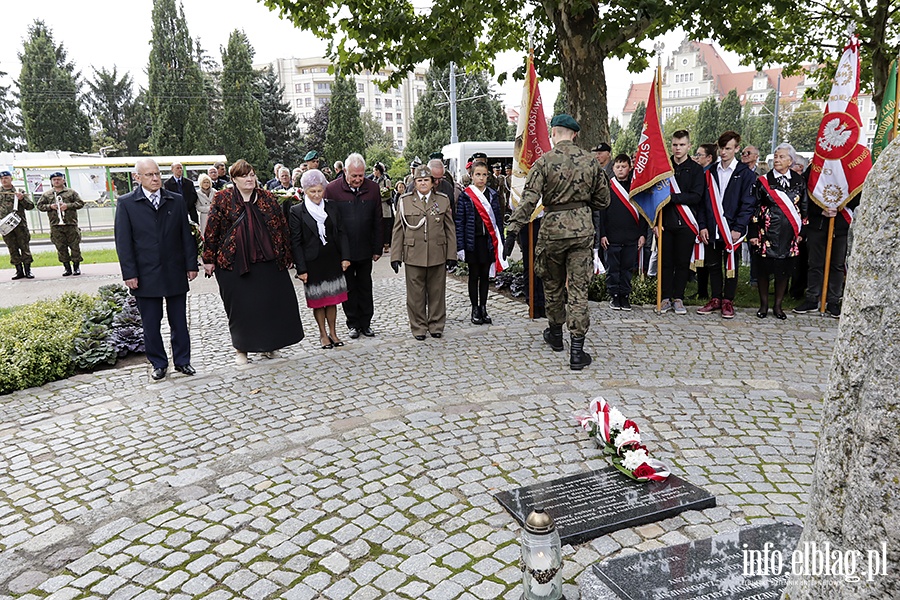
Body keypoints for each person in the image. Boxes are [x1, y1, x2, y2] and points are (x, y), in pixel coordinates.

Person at [503, 114, 609, 370]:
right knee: (578, 289)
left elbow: (528, 201)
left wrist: (513, 230)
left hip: (552, 231)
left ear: (553, 133)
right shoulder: (591, 162)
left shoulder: (543, 161)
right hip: (582, 231)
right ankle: (577, 350)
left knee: (552, 285)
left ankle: (555, 334)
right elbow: (604, 200)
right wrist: (581, 205)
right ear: (574, 134)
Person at [202, 159, 305, 365]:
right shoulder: (223, 198)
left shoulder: (267, 197)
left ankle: (269, 345)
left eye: (251, 175)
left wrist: (287, 257)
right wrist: (208, 259)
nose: (249, 179)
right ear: (234, 179)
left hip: (267, 261)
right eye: (244, 175)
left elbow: (281, 228)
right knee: (241, 309)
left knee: (269, 305)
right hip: (234, 263)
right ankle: (242, 348)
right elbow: (212, 230)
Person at [115, 159, 198, 380]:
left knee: (179, 320)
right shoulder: (126, 203)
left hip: (174, 270)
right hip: (145, 274)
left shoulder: (175, 201)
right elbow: (123, 243)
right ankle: (158, 363)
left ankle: (182, 361)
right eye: (149, 175)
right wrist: (129, 273)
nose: (155, 179)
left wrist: (191, 264)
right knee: (151, 323)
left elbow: (185, 236)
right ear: (137, 178)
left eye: (157, 174)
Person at [391, 164, 457, 339]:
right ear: (414, 182)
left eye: (426, 180)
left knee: (437, 292)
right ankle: (419, 327)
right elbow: (398, 230)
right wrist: (395, 256)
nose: (423, 183)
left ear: (432, 182)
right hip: (413, 254)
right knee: (415, 295)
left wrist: (452, 255)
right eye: (419, 180)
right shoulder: (404, 201)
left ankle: (436, 324)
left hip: (437, 252)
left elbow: (450, 229)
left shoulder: (442, 200)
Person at [697, 131, 757, 319]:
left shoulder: (745, 174)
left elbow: (748, 204)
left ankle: (728, 300)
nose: (724, 152)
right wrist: (703, 225)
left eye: (728, 148)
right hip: (712, 227)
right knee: (713, 264)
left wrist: (738, 228)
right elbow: (703, 202)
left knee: (731, 264)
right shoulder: (711, 172)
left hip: (732, 229)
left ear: (737, 149)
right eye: (721, 148)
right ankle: (715, 298)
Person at [290, 169, 350, 349]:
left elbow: (341, 232)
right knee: (319, 301)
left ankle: (333, 332)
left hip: (332, 258)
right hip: (311, 262)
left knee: (332, 299)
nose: (317, 195)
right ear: (305, 191)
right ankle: (323, 334)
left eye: (319, 190)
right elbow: (296, 242)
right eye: (312, 191)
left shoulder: (332, 206)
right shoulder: (297, 211)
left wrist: (346, 257)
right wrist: (301, 269)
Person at [325, 153, 383, 338]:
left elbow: (378, 220)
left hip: (366, 248)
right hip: (344, 251)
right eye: (354, 176)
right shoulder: (332, 190)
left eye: (361, 175)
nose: (358, 179)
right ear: (345, 172)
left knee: (365, 286)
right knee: (348, 287)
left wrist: (377, 247)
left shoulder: (373, 188)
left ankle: (366, 323)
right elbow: (328, 223)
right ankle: (353, 324)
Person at [749, 143, 808, 320]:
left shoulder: (799, 181)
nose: (777, 160)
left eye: (782, 157)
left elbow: (804, 207)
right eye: (776, 156)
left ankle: (778, 306)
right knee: (764, 271)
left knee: (784, 271)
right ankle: (764, 305)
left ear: (791, 160)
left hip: (789, 233)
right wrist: (752, 233)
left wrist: (802, 232)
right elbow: (754, 207)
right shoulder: (763, 181)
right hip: (766, 232)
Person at [657, 130, 706, 315]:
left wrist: (673, 198)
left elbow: (696, 196)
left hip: (687, 223)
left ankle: (679, 297)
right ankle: (665, 297)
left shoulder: (695, 169)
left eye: (682, 145)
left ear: (689, 146)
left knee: (682, 263)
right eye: (675, 145)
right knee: (666, 262)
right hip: (666, 223)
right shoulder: (664, 167)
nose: (678, 148)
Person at [456, 161, 507, 325]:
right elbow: (460, 222)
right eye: (478, 174)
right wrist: (461, 246)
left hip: (488, 241)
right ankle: (474, 308)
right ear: (471, 176)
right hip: (473, 241)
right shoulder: (465, 195)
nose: (481, 178)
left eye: (484, 174)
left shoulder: (492, 195)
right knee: (474, 275)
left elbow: (498, 222)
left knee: (485, 276)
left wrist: (501, 243)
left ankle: (484, 307)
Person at [599, 154, 645, 311]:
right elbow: (602, 213)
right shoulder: (608, 188)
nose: (620, 170)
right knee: (613, 268)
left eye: (624, 166)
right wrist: (602, 234)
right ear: (613, 168)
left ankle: (625, 296)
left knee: (627, 268)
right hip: (612, 236)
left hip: (631, 235)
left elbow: (642, 212)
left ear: (630, 168)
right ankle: (614, 296)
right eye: (617, 167)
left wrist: (642, 234)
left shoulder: (635, 188)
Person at [37, 172, 85, 276]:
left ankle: (76, 267)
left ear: (63, 180)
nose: (56, 181)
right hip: (56, 225)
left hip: (70, 223)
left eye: (59, 179)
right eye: (54, 180)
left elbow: (80, 203)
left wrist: (67, 206)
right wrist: (50, 207)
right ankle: (67, 268)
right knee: (61, 247)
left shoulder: (71, 192)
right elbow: (40, 206)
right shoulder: (47, 194)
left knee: (75, 246)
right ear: (51, 181)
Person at [0, 170, 35, 280]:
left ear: (11, 179)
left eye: (6, 178)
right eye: (1, 179)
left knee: (24, 247)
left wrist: (22, 198)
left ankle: (28, 270)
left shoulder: (19, 191)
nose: (4, 180)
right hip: (5, 225)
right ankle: (18, 270)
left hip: (19, 225)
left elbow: (30, 206)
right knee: (12, 247)